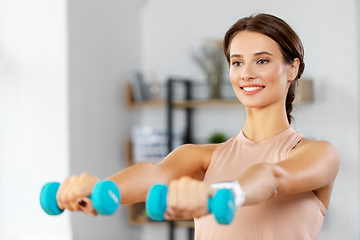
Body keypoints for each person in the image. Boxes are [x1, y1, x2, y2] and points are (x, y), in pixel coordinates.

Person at [56, 13, 340, 239]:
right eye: (237, 62)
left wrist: (220, 194)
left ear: (292, 68)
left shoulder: (317, 154)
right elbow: (153, 175)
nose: (247, 74)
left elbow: (273, 178)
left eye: (262, 60)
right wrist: (99, 191)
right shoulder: (203, 157)